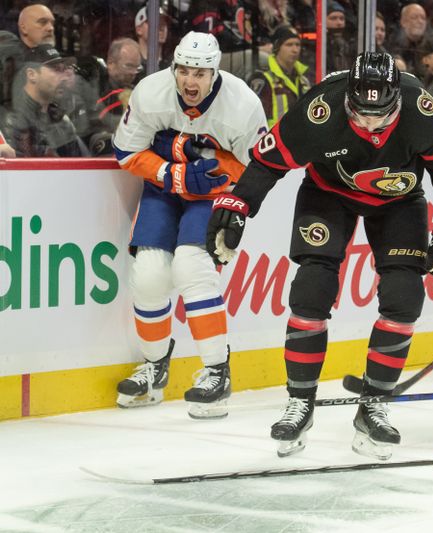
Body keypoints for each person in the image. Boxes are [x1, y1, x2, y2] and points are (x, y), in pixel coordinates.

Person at [205, 52, 433, 460]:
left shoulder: (422, 109)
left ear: (396, 100)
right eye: (359, 115)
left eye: (378, 117)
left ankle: (374, 405)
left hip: (400, 200)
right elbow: (267, 162)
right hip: (327, 195)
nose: (368, 126)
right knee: (312, 287)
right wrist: (238, 205)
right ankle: (300, 403)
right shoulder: (320, 109)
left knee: (404, 296)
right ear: (347, 98)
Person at [112, 32, 268, 419]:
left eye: (199, 71)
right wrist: (172, 172)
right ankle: (154, 368)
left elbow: (262, 166)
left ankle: (217, 372)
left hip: (217, 193)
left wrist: (220, 173)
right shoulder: (151, 93)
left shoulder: (243, 105)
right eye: (183, 70)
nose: (190, 81)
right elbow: (125, 151)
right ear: (173, 68)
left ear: (215, 72)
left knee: (192, 269)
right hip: (165, 189)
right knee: (148, 276)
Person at [2, 45, 85, 157]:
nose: (64, 77)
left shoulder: (62, 122)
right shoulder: (8, 121)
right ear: (32, 75)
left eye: (64, 69)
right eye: (56, 69)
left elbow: (79, 168)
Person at [249, 25, 311, 124]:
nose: (295, 50)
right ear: (277, 47)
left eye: (297, 44)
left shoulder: (304, 81)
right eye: (289, 45)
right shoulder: (263, 78)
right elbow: (254, 118)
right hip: (273, 137)